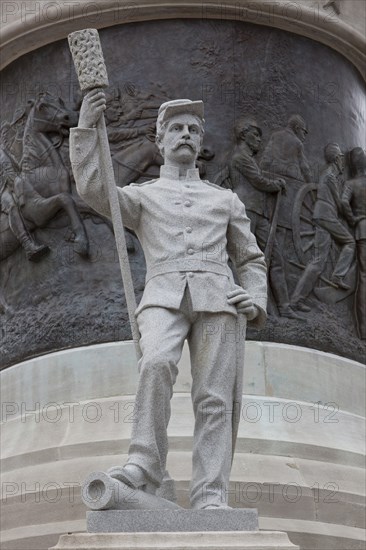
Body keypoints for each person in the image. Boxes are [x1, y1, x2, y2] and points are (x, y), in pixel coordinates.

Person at [70, 92, 268, 509]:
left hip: (219, 300)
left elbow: (250, 258)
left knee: (214, 398)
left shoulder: (225, 199)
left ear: (199, 144)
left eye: (193, 130)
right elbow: (94, 190)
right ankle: (144, 465)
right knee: (156, 363)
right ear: (160, 142)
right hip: (162, 296)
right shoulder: (143, 196)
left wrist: (253, 298)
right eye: (176, 129)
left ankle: (210, 495)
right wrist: (87, 129)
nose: (185, 135)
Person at [227, 116, 301, 319]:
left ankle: (283, 306)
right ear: (244, 135)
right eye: (255, 135)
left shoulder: (249, 159)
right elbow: (257, 181)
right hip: (245, 211)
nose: (259, 139)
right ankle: (238, 303)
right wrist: (276, 184)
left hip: (259, 213)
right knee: (242, 257)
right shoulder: (239, 157)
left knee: (275, 258)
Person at [291, 143, 355, 311]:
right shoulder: (330, 177)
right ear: (335, 159)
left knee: (318, 262)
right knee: (350, 242)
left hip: (321, 217)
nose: (343, 161)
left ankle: (296, 299)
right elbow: (340, 203)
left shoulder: (327, 175)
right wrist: (352, 217)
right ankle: (338, 276)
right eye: (341, 158)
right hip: (327, 216)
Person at [341, 147, 366, 339]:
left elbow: (343, 202)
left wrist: (352, 219)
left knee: (364, 278)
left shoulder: (350, 183)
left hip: (361, 230)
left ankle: (363, 330)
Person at [260, 114, 312, 183]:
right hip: (292, 180)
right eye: (304, 132)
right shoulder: (298, 143)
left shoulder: (275, 136)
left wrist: (260, 172)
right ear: (297, 128)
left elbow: (266, 159)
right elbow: (304, 167)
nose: (304, 137)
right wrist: (310, 183)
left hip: (273, 176)